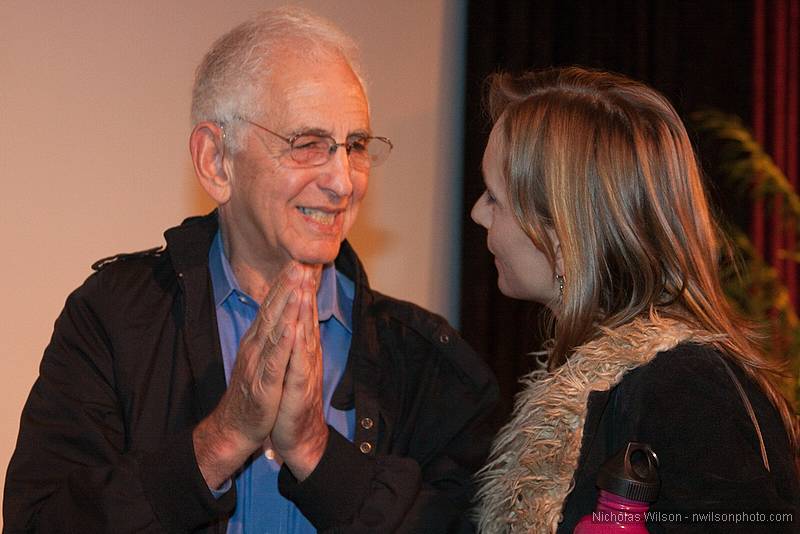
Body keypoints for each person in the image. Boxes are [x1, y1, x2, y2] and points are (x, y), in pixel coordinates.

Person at [4, 7, 497, 533]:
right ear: (217, 161)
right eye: (307, 144)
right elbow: (40, 522)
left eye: (354, 146)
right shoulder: (113, 320)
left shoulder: (428, 362)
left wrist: (314, 453)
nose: (343, 180)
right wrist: (220, 440)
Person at [470, 66, 799, 533]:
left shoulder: (687, 387)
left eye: (494, 197)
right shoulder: (609, 376)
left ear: (563, 234)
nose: (478, 213)